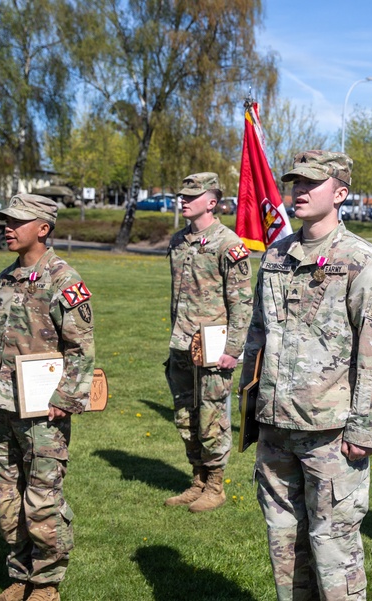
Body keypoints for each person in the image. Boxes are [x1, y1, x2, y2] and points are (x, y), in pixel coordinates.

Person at [243, 150, 372, 600]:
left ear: (341, 194)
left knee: (334, 549)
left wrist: (365, 428)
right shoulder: (277, 255)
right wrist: (250, 410)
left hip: (331, 433)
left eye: (312, 183)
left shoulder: (362, 260)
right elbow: (259, 331)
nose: (300, 191)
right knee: (284, 545)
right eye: (296, 182)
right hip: (276, 426)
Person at [0, 193, 95, 601]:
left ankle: (46, 585)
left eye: (18, 221)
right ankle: (19, 576)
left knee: (43, 499)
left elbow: (81, 349)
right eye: (6, 221)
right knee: (6, 495)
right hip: (3, 407)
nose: (7, 228)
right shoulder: (4, 278)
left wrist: (64, 398)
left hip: (44, 412)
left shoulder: (64, 280)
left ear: (43, 228)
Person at [164, 172, 253, 513]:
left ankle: (215, 485)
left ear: (212, 202)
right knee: (185, 415)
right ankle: (197, 479)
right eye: (182, 195)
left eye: (192, 196)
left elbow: (242, 302)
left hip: (214, 349)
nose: (183, 200)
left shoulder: (228, 245)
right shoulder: (178, 242)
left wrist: (233, 350)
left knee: (211, 418)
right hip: (181, 344)